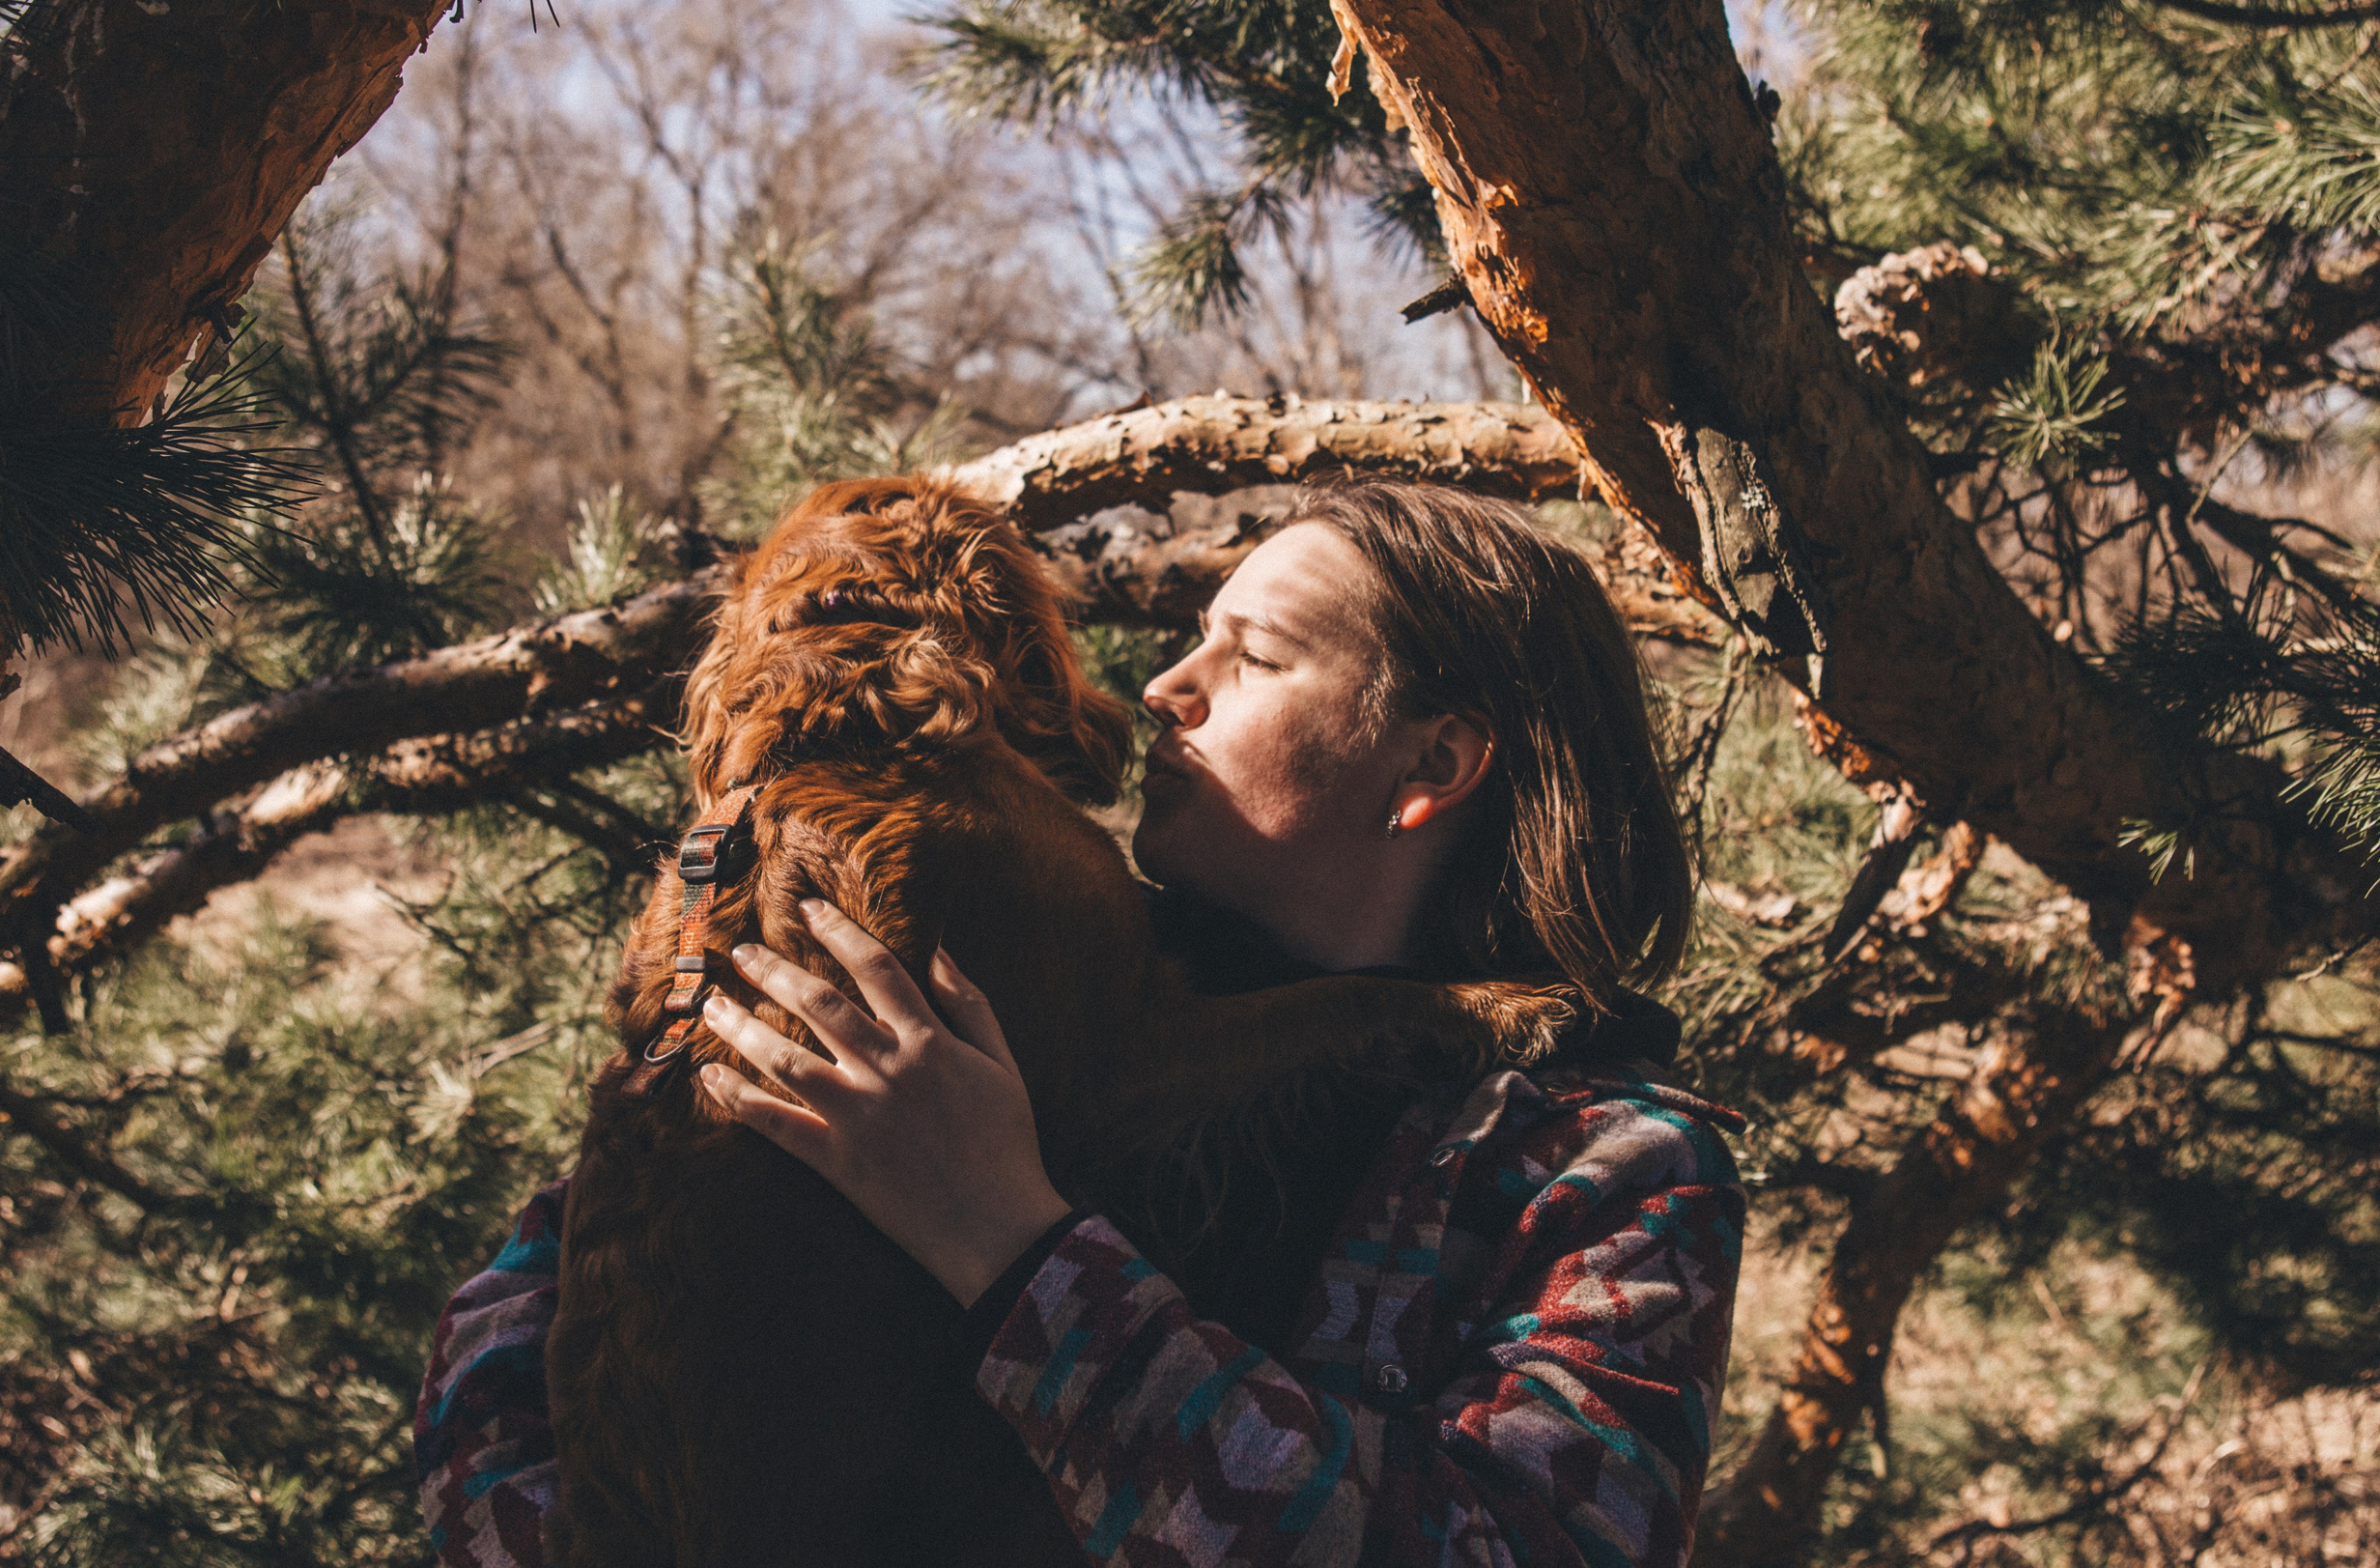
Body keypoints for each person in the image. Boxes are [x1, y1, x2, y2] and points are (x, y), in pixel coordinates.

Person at [414, 478, 1746, 1567]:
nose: (1167, 684)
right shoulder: (979, 976)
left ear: (1435, 766)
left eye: (1256, 656)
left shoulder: (1604, 1165)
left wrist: (1008, 1247)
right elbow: (501, 1352)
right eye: (1197, 634)